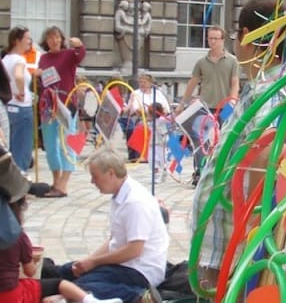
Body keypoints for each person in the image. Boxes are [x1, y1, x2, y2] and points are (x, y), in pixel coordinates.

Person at [190, 0, 286, 297]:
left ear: (247, 35)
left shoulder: (271, 91)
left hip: (234, 245)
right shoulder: (275, 86)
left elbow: (266, 152)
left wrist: (250, 226)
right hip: (228, 242)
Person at [58, 147, 168, 302]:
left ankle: (139, 297)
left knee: (80, 286)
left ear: (110, 173)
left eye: (94, 176)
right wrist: (88, 261)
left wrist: (94, 262)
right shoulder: (120, 194)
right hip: (124, 264)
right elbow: (113, 240)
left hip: (140, 269)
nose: (92, 182)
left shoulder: (135, 202)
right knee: (66, 272)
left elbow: (134, 250)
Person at [0, 196, 123, 303]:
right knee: (59, 283)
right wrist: (29, 257)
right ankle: (90, 300)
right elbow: (30, 271)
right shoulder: (18, 236)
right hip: (9, 293)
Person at [37, 26, 86, 198]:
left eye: (57, 37)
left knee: (67, 142)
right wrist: (38, 75)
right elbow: (43, 83)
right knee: (50, 145)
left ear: (61, 39)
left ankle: (63, 184)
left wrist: (79, 45)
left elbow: (80, 56)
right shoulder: (43, 58)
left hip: (66, 104)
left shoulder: (68, 54)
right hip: (49, 107)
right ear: (46, 41)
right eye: (50, 38)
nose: (54, 40)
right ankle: (56, 180)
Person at [176, 26, 239, 116]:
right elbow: (192, 83)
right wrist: (182, 104)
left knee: (223, 130)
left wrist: (232, 102)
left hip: (225, 107)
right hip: (205, 108)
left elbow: (235, 84)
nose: (213, 41)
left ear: (222, 40)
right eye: (210, 38)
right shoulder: (201, 62)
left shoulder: (233, 61)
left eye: (216, 39)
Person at [2, 27, 35, 173]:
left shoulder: (5, 59)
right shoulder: (19, 59)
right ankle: (20, 188)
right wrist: (20, 91)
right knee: (22, 150)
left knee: (10, 147)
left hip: (8, 108)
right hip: (22, 108)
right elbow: (19, 76)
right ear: (17, 41)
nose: (30, 41)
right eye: (27, 38)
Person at [123, 74, 170, 162]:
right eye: (140, 82)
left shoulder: (158, 93)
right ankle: (140, 155)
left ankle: (161, 154)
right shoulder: (136, 93)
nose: (142, 84)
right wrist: (149, 115)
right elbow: (136, 109)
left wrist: (159, 113)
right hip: (141, 118)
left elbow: (166, 108)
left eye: (144, 82)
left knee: (163, 127)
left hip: (158, 118)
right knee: (142, 127)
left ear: (150, 83)